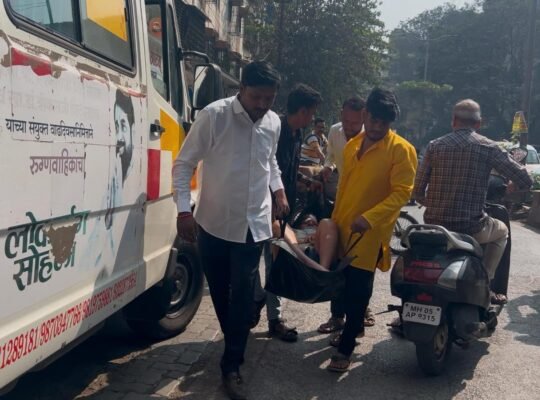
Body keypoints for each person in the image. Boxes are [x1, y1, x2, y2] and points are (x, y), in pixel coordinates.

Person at [172, 61, 288, 400]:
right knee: (222, 293)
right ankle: (237, 332)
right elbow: (183, 164)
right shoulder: (214, 116)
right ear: (241, 88)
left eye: (269, 99)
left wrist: (279, 190)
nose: (262, 105)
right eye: (256, 97)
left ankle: (232, 363)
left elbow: (270, 162)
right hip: (213, 222)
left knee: (240, 295)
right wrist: (183, 210)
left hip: (254, 224)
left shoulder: (273, 121)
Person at [326, 88, 417, 373]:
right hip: (343, 226)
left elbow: (402, 193)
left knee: (358, 288)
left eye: (384, 123)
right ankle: (352, 327)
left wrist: (370, 217)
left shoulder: (401, 150)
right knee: (340, 284)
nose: (377, 127)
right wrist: (332, 222)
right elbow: (344, 187)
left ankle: (346, 347)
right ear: (365, 115)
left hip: (370, 232)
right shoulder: (353, 145)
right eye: (374, 120)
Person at [413, 99, 532, 305]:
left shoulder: (435, 146)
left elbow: (417, 191)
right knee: (502, 231)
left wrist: (430, 201)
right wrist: (513, 184)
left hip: (434, 226)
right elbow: (526, 180)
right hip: (471, 228)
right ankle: (483, 282)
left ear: (453, 121)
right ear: (478, 123)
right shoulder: (488, 147)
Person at [252, 83, 323, 343]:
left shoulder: (297, 133)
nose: (313, 118)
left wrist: (305, 180)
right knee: (253, 261)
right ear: (303, 111)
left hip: (282, 212)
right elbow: (265, 170)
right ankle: (257, 300)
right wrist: (271, 205)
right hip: (261, 209)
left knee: (276, 263)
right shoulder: (275, 129)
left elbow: (286, 171)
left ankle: (273, 318)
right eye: (312, 113)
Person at [317, 96, 378, 335]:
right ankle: (337, 316)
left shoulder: (373, 138)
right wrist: (328, 167)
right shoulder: (335, 131)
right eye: (346, 121)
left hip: (366, 209)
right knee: (338, 261)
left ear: (364, 118)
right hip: (342, 205)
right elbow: (332, 156)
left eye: (355, 123)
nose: (350, 127)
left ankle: (361, 311)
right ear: (341, 114)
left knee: (363, 267)